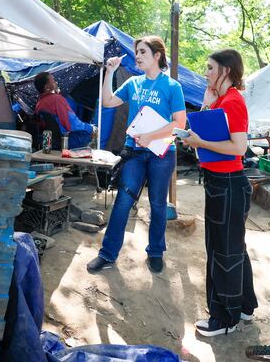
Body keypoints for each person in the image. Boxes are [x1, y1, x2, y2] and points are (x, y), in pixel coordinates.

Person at [86, 36, 186, 274]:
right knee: (123, 201)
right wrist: (109, 72)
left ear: (157, 55)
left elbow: (179, 122)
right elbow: (108, 102)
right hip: (135, 153)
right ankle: (107, 254)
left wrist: (151, 136)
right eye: (137, 52)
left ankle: (155, 252)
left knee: (158, 205)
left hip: (162, 154)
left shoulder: (173, 87)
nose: (137, 56)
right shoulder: (133, 84)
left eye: (142, 52)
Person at [182, 49, 257, 337]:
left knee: (223, 252)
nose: (206, 73)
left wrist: (200, 142)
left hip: (228, 185)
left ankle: (225, 318)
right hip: (220, 183)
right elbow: (207, 132)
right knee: (234, 248)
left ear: (225, 71)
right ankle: (245, 306)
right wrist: (205, 106)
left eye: (210, 68)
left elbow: (239, 148)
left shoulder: (234, 102)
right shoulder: (222, 100)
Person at [33, 72, 96, 148]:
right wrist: (91, 128)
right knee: (94, 132)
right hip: (65, 142)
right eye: (53, 81)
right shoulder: (56, 99)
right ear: (47, 87)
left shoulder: (39, 103)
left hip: (48, 142)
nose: (56, 82)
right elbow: (71, 124)